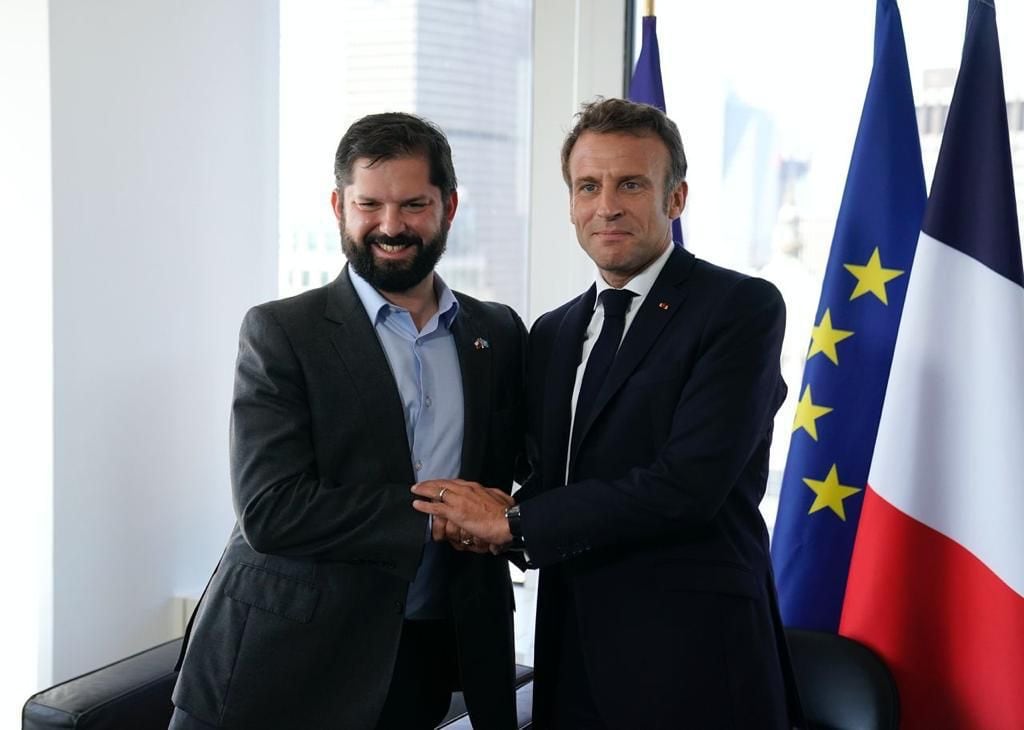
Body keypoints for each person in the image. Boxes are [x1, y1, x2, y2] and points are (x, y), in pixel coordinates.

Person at [413, 98, 804, 729]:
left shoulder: (740, 308)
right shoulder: (554, 332)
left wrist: (510, 523)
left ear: (675, 198)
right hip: (572, 659)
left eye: (631, 184)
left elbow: (687, 485)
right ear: (570, 203)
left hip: (697, 663)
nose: (607, 206)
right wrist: (464, 514)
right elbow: (554, 480)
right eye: (588, 187)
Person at [170, 112, 525, 730]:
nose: (391, 227)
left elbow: (522, 471)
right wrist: (439, 518)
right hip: (277, 664)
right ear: (339, 205)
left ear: (450, 205)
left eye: (414, 204)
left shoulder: (497, 331)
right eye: (369, 204)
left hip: (422, 659)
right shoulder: (282, 332)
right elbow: (271, 510)